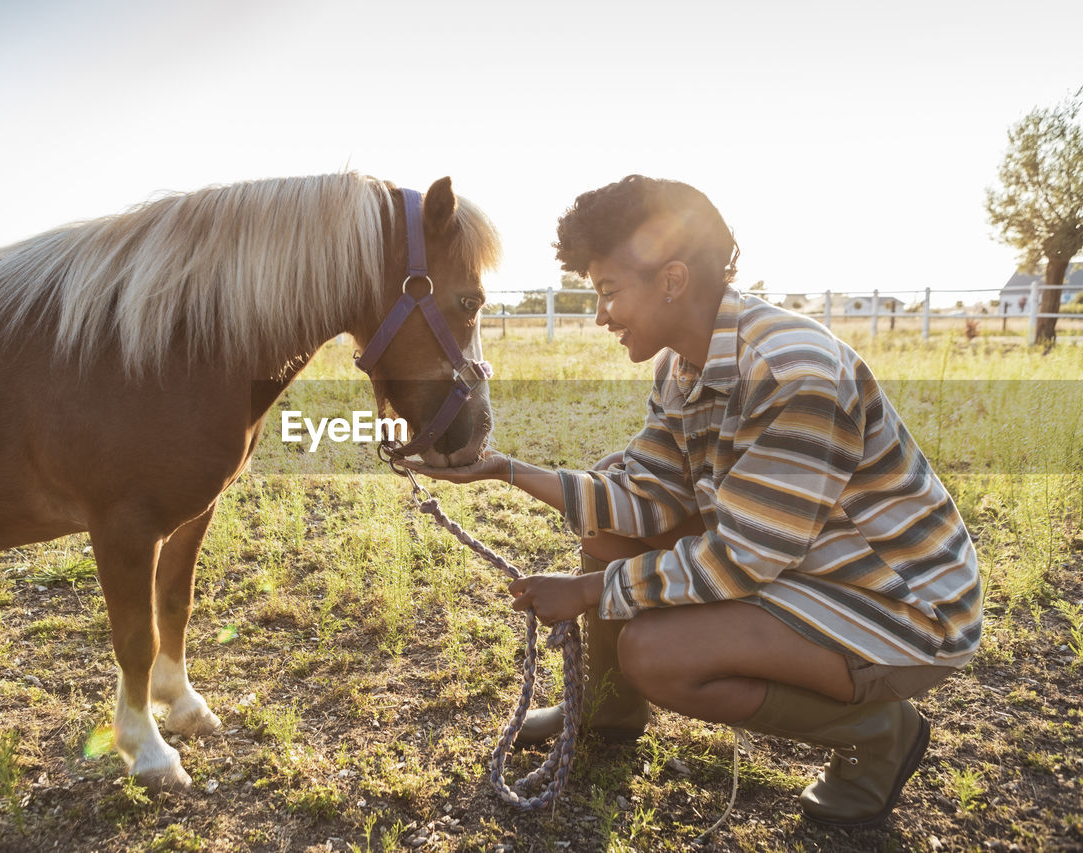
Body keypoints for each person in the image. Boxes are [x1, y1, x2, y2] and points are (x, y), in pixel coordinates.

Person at [404, 175, 982, 829]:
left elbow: (738, 562)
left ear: (672, 279)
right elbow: (643, 496)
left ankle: (881, 731)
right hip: (806, 565)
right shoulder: (684, 363)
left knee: (658, 655)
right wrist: (501, 469)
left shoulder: (795, 376)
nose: (600, 314)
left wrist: (588, 591)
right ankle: (605, 708)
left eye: (609, 291)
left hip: (895, 609)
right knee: (609, 517)